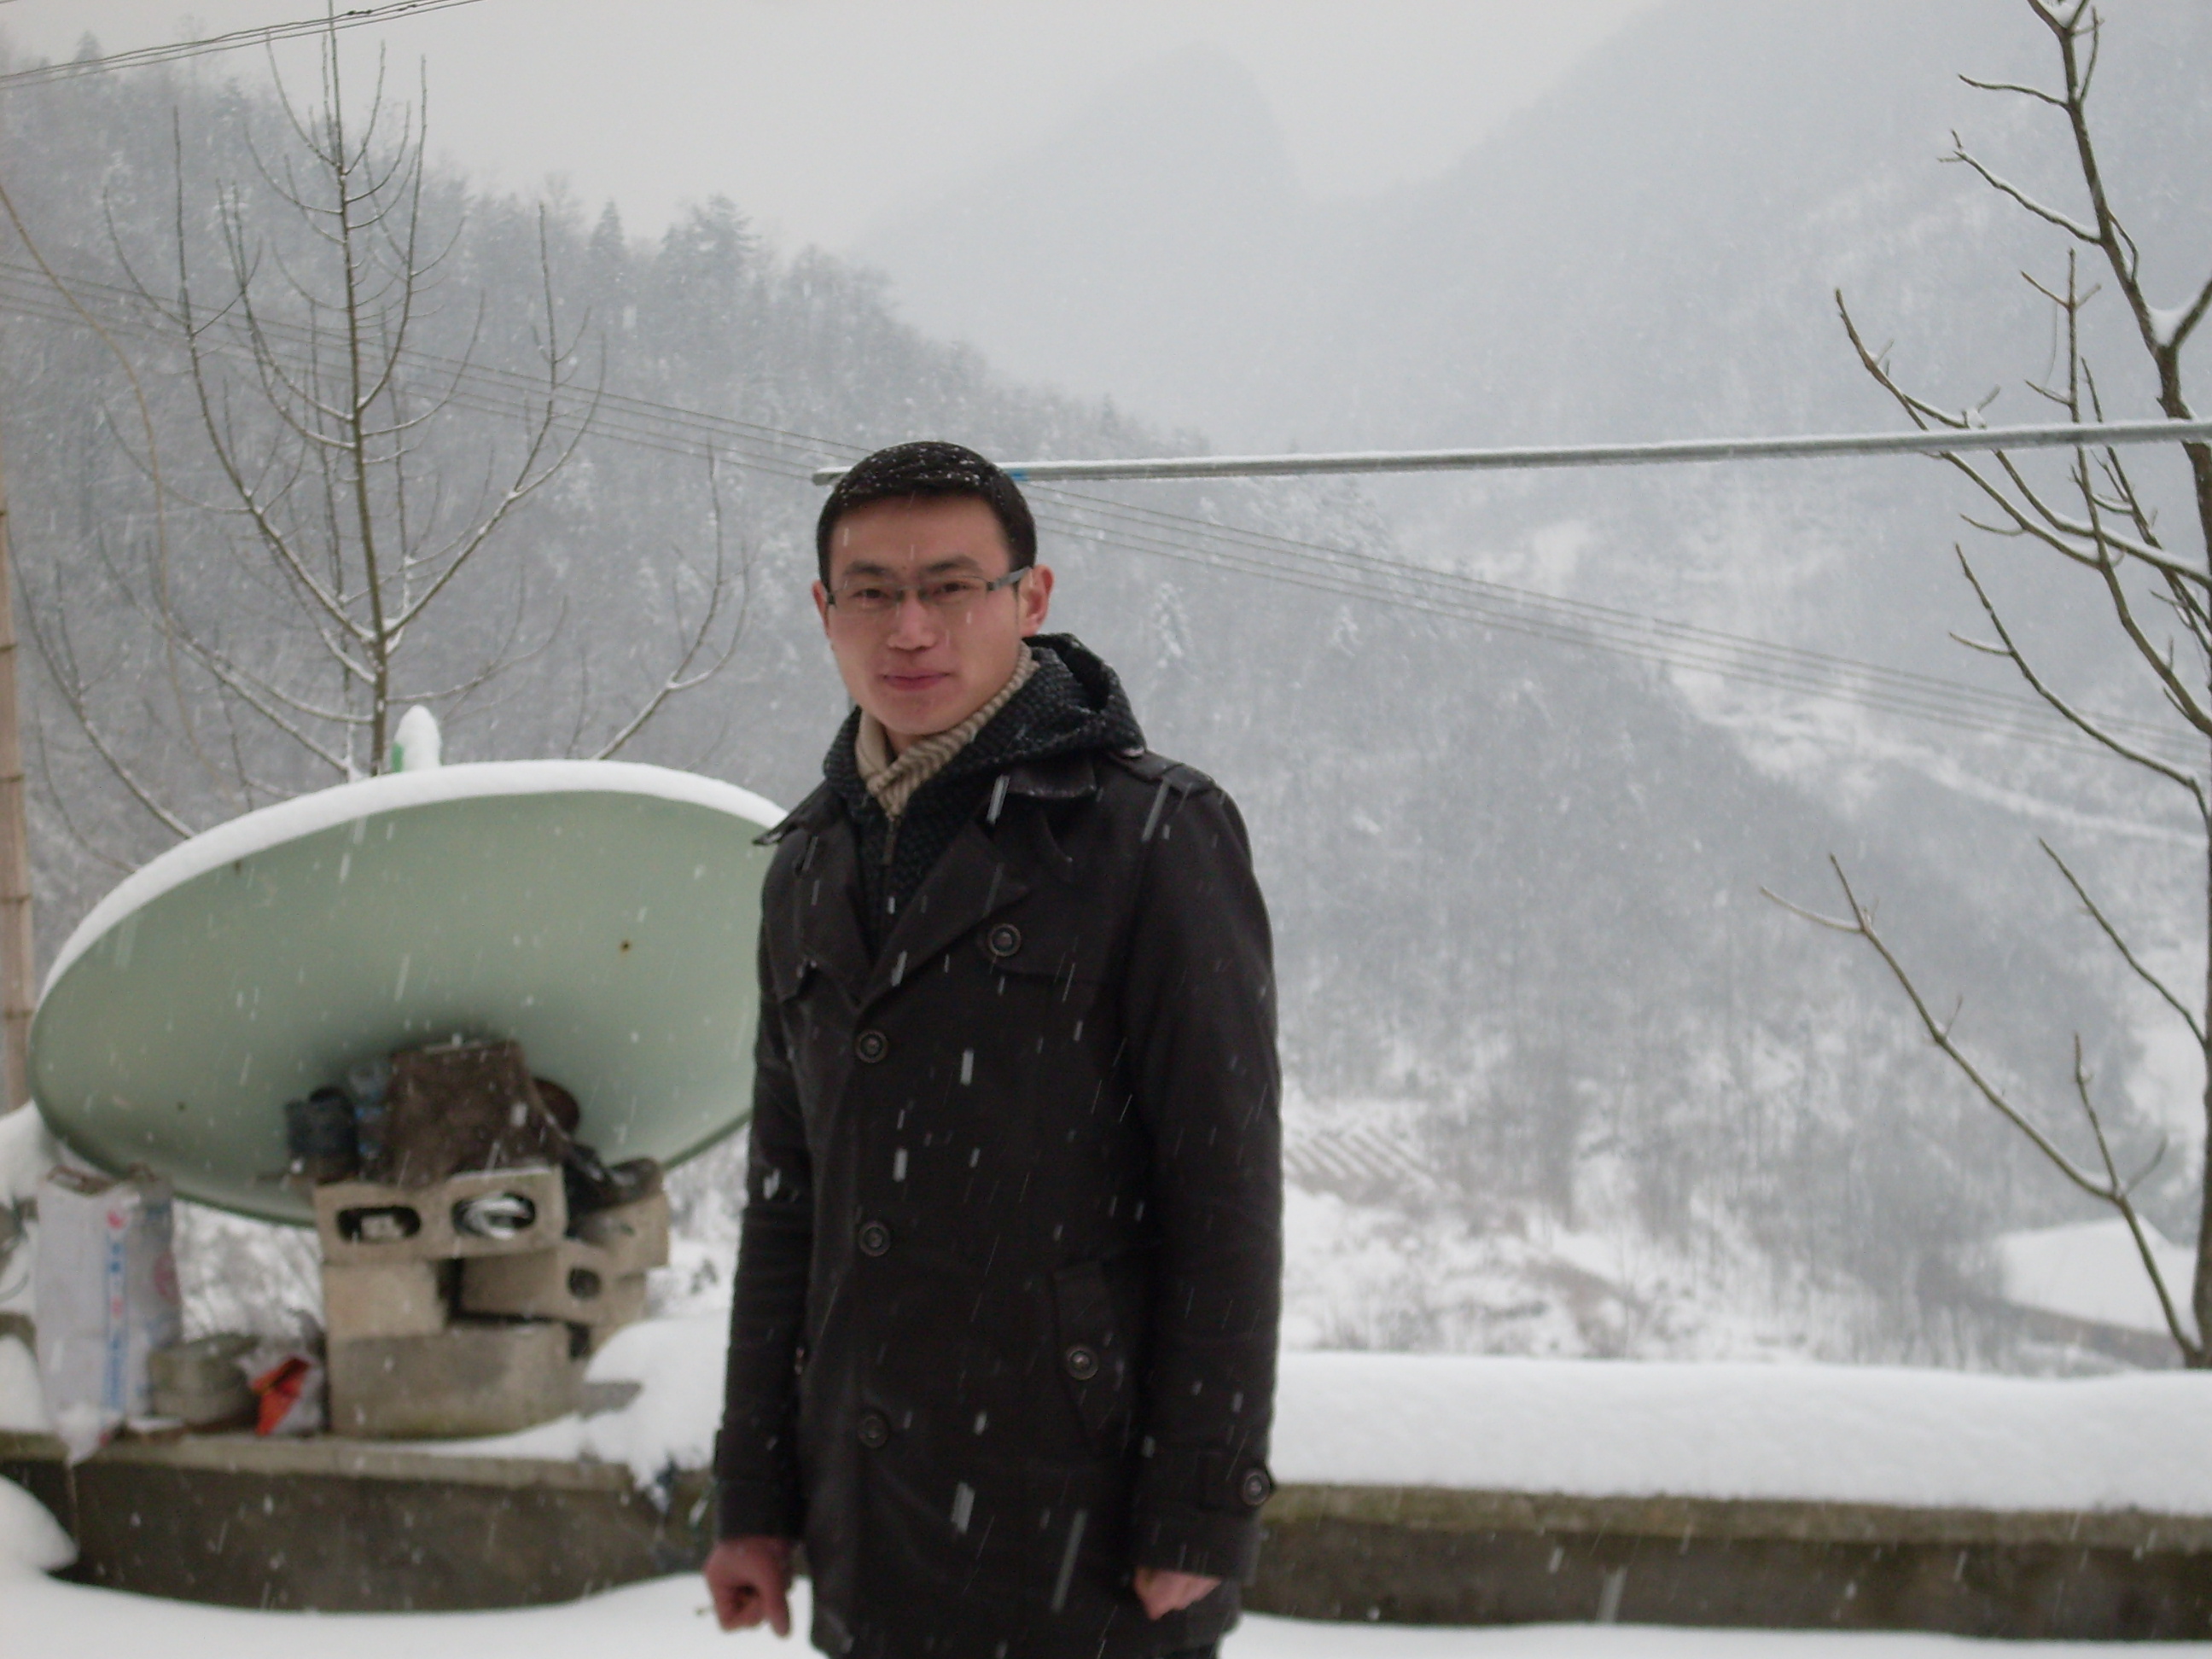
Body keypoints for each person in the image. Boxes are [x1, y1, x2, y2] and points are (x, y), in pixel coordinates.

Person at [704, 440, 1282, 1659]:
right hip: (868, 1522)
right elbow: (788, 1205)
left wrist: (1201, 1502)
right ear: (824, 610)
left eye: (952, 586)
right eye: (871, 591)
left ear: (1031, 597)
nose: (910, 627)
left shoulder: (1151, 836)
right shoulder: (808, 864)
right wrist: (752, 1497)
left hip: (1082, 1517)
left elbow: (1224, 1197)